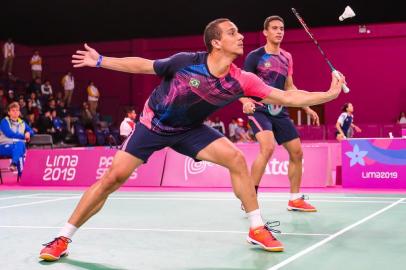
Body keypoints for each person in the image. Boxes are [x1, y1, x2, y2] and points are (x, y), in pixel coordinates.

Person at [39, 18, 345, 261]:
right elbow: (143, 65)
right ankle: (63, 237)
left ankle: (256, 227)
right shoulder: (186, 62)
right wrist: (101, 60)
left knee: (236, 158)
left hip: (190, 129)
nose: (240, 36)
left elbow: (286, 95)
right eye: (232, 32)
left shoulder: (241, 79)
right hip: (154, 124)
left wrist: (329, 94)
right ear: (216, 42)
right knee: (111, 178)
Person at [240, 16, 320, 212]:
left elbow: (289, 87)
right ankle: (249, 198)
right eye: (274, 28)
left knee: (297, 152)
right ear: (265, 32)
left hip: (280, 110)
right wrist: (245, 102)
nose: (279, 31)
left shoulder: (287, 57)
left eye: (282, 28)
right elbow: (241, 85)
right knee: (267, 148)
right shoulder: (255, 56)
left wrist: (306, 107)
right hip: (258, 109)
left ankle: (295, 199)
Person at [0, 102, 34, 174]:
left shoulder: (22, 122)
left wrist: (28, 133)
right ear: (9, 112)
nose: (15, 112)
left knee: (20, 146)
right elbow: (9, 133)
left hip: (17, 147)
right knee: (20, 150)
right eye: (13, 110)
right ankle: (22, 175)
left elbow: (32, 131)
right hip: (4, 146)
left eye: (17, 110)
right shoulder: (4, 121)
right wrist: (24, 136)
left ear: (19, 112)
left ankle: (14, 164)